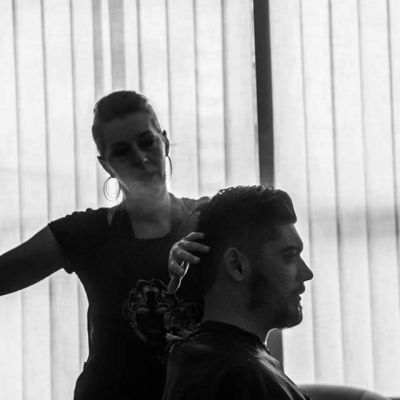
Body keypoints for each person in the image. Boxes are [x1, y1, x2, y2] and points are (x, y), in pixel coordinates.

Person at [0, 90, 210, 399]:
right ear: (106, 164)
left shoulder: (207, 220)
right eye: (122, 151)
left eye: (147, 142)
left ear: (164, 141)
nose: (141, 159)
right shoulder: (88, 233)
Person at [163, 185, 314, 400]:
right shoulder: (234, 376)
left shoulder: (227, 364)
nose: (307, 273)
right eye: (289, 255)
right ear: (237, 265)